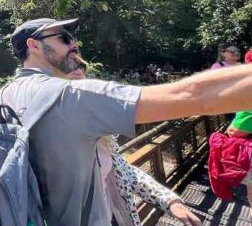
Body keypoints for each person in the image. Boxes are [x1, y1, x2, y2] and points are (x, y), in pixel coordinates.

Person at [0, 17, 252, 225]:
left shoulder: (0, 99)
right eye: (65, 38)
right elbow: (191, 96)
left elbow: (112, 166)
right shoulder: (73, 95)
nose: (75, 45)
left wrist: (168, 199)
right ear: (33, 45)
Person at [67, 58, 200, 226]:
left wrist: (169, 200)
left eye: (80, 66)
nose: (78, 70)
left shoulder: (99, 129)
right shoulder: (44, 139)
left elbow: (121, 169)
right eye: (68, 66)